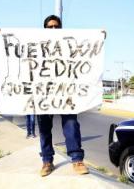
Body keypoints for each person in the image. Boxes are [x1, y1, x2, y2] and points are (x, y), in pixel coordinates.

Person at [38, 15, 89, 177]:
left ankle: (77, 159)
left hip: (65, 91)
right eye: (49, 27)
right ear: (44, 29)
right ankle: (47, 161)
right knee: (44, 128)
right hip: (43, 93)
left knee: (71, 124)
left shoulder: (69, 43)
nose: (53, 29)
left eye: (56, 27)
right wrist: (1, 35)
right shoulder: (36, 44)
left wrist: (99, 38)